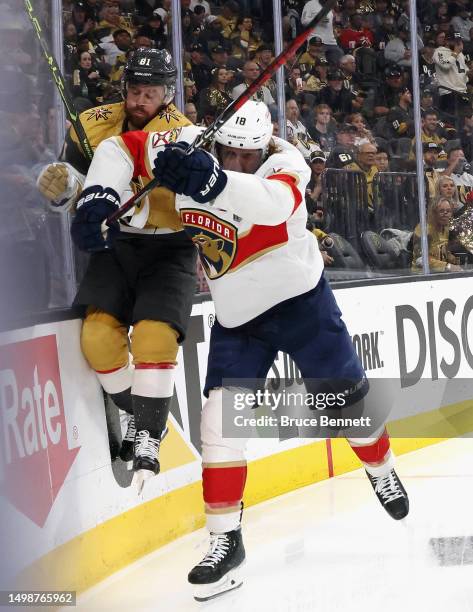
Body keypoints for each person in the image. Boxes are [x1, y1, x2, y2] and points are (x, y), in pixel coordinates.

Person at [79, 100, 409, 601]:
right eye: (227, 152)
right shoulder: (190, 147)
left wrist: (213, 180)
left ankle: (380, 469)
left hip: (302, 308)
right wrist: (98, 197)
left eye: (245, 156)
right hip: (238, 320)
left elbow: (271, 204)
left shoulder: (286, 162)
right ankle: (224, 542)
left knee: (348, 406)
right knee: (220, 421)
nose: (235, 161)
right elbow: (118, 148)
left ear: (265, 147)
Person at [36, 49, 197, 489]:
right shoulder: (91, 123)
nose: (139, 100)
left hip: (169, 249)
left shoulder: (181, 136)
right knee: (98, 341)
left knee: (154, 336)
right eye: (134, 90)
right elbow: (76, 181)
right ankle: (140, 413)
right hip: (117, 246)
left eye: (150, 93)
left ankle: (147, 431)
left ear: (167, 95)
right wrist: (67, 190)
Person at [412, 197, 462, 272]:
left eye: (448, 211)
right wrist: (447, 266)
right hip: (422, 275)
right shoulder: (423, 229)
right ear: (433, 213)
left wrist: (455, 260)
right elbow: (420, 260)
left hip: (440, 273)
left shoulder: (445, 228)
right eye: (441, 211)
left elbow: (442, 252)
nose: (445, 214)